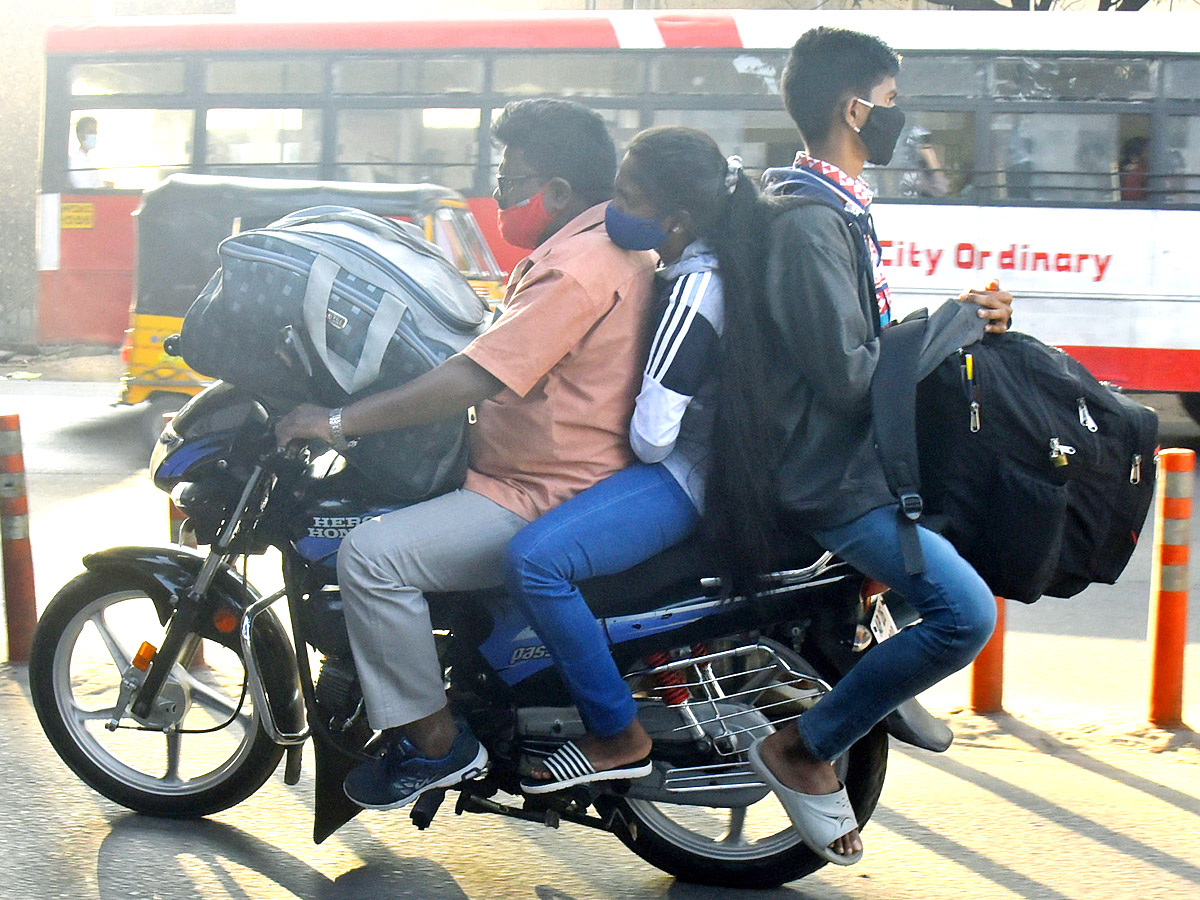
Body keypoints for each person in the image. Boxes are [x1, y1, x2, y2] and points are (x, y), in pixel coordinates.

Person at [274, 98, 656, 812]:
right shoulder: (597, 246)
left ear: (561, 191)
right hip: (553, 470)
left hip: (539, 490)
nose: (502, 196)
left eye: (511, 183)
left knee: (371, 555)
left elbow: (473, 377)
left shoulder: (576, 265)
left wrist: (339, 419)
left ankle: (434, 741)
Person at [735, 27, 1012, 866]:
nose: (899, 121)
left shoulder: (832, 208)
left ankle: (867, 664)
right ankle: (803, 746)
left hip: (853, 461)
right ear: (855, 108)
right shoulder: (809, 223)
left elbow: (864, 345)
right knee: (966, 615)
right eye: (891, 104)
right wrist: (956, 320)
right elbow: (852, 377)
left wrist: (952, 316)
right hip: (825, 477)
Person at [501, 126, 778, 793]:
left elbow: (655, 436)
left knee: (535, 562)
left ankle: (617, 733)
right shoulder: (691, 264)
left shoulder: (694, 290)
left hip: (684, 477)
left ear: (676, 219)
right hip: (694, 467)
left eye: (628, 195)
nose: (613, 207)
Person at [68, 116, 108, 189]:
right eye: (90, 132)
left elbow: (99, 184)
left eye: (95, 133)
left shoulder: (88, 160)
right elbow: (84, 188)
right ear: (80, 135)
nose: (93, 136)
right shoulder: (74, 160)